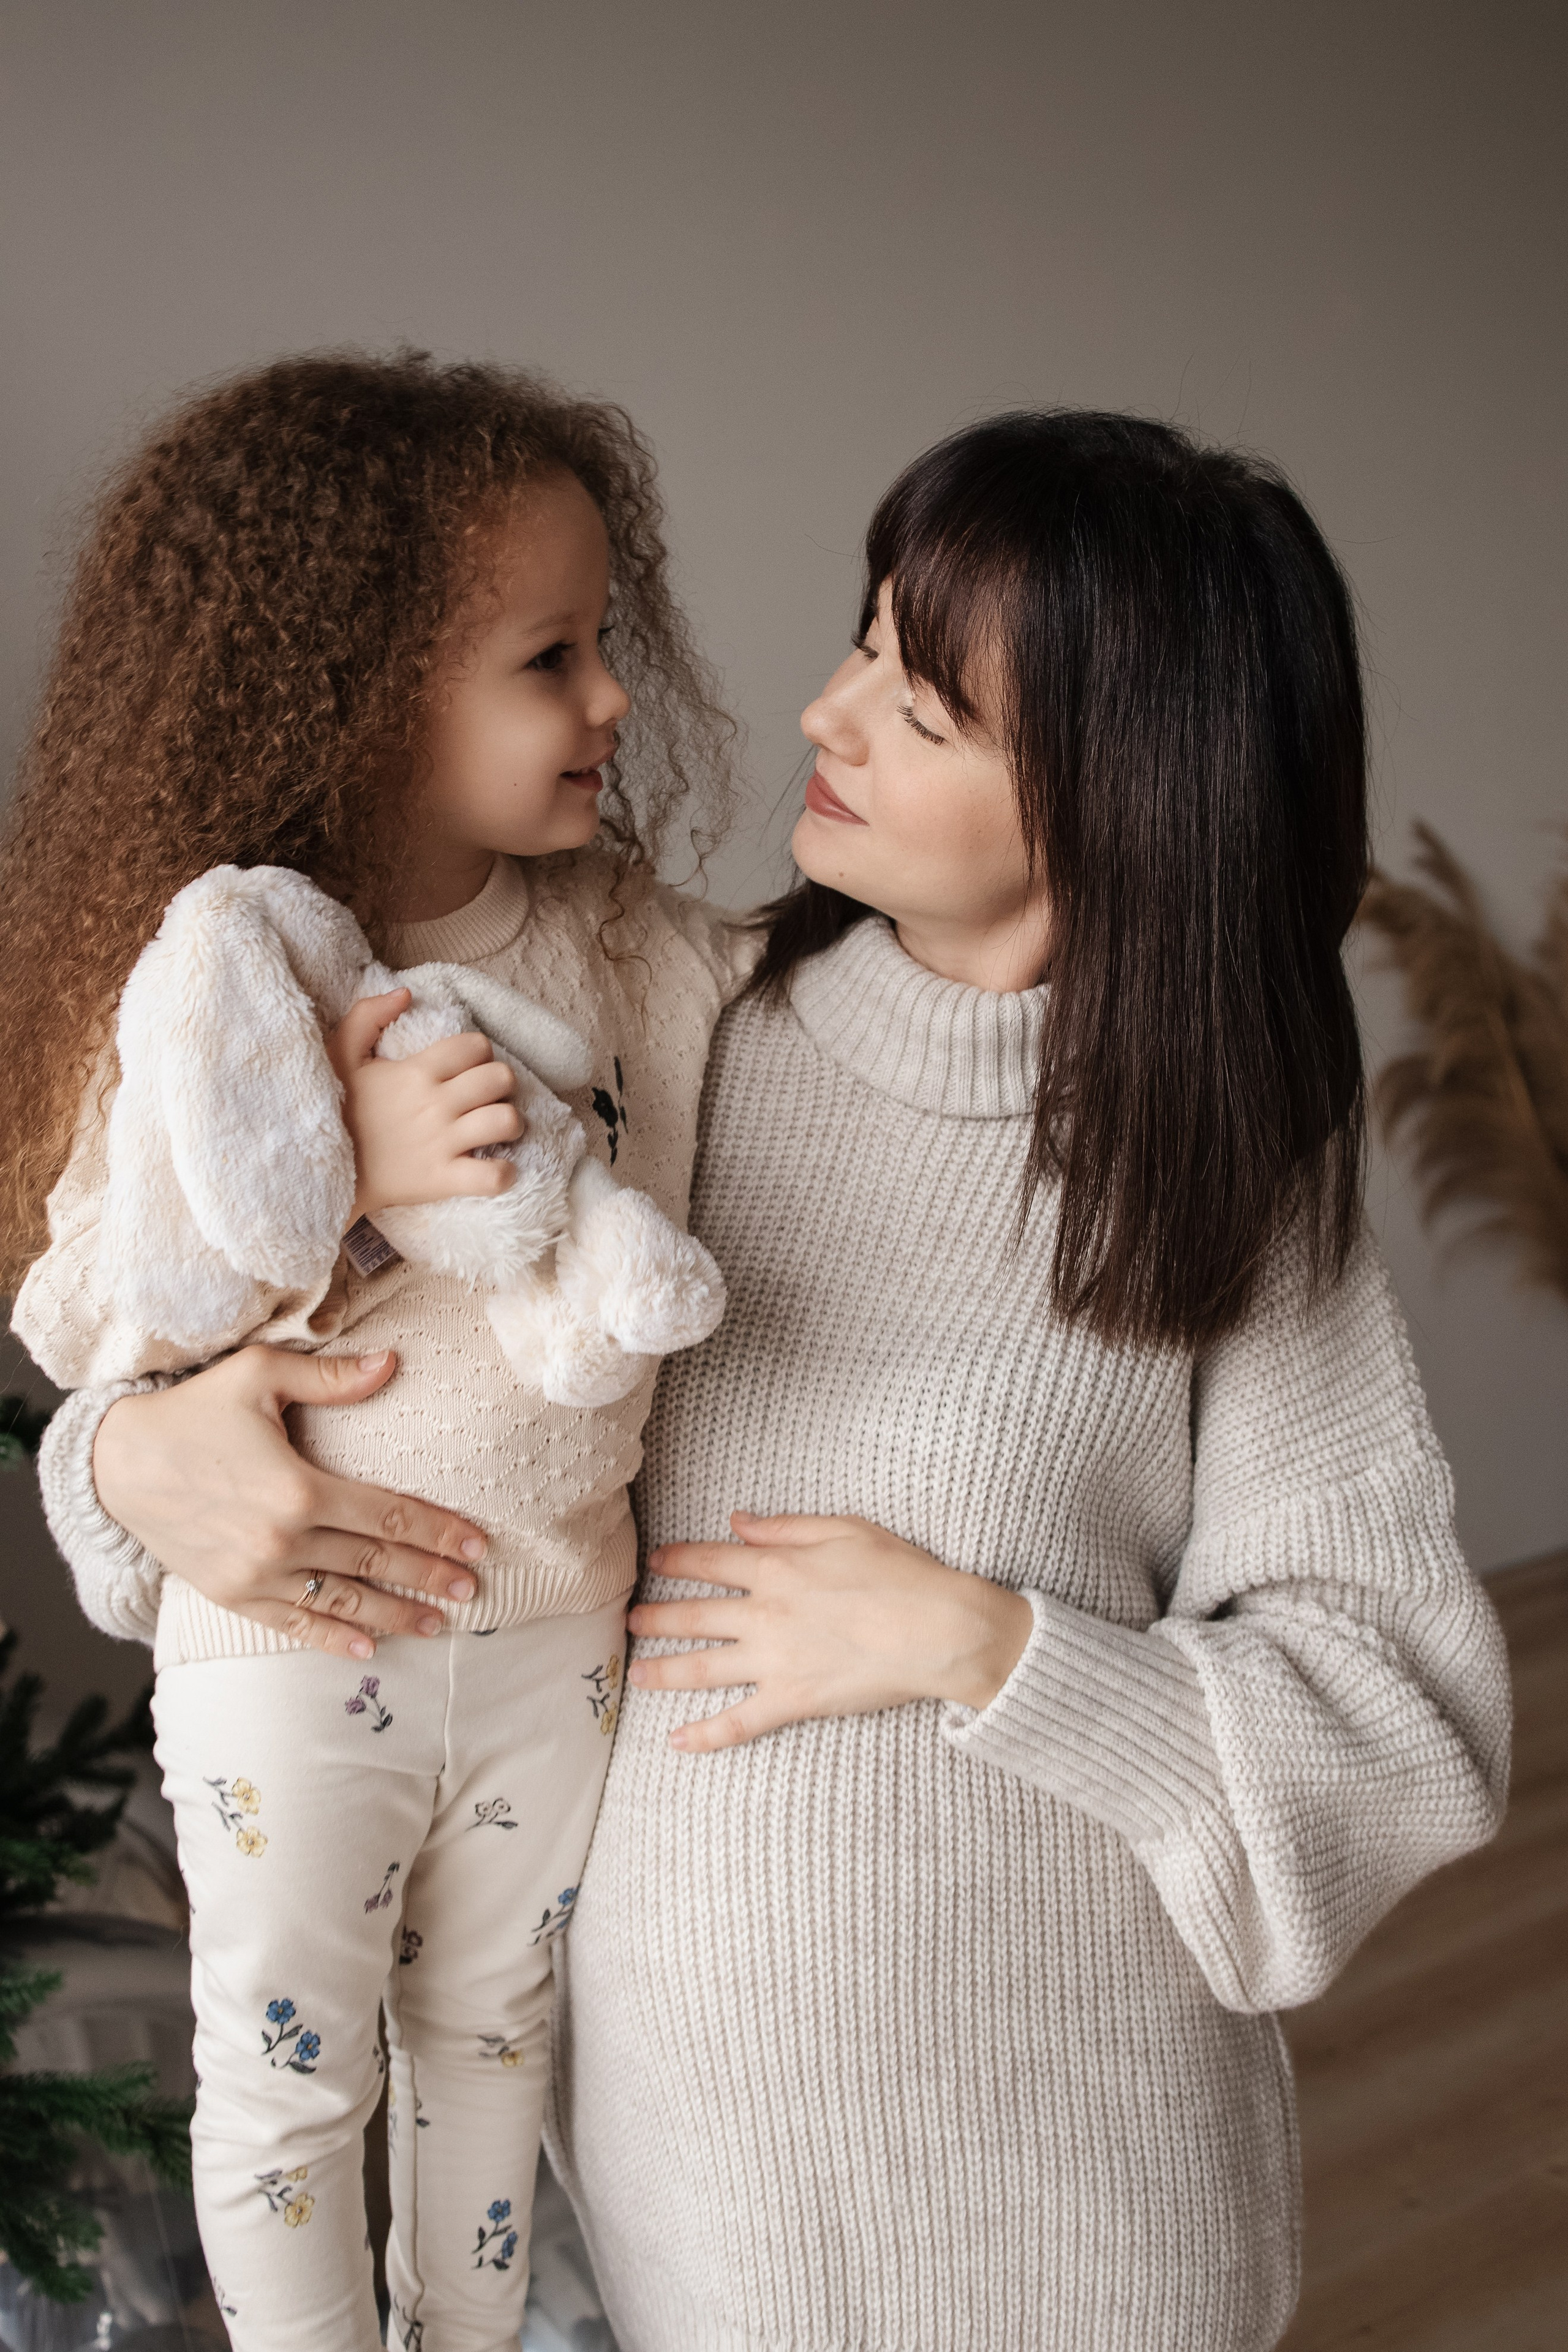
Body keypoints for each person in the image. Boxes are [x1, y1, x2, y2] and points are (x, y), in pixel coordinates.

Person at [33, 413, 1509, 2352]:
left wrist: (989, 1647)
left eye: (925, 704)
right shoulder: (681, 1037)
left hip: (1090, 2224)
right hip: (700, 2225)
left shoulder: (1228, 1179)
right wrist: (122, 1462)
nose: (827, 712)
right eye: (865, 641)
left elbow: (1402, 1722)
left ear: (1131, 794)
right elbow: (293, 1338)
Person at [1, 352, 746, 2352]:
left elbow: (816, 1013)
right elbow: (90, 1312)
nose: (612, 699)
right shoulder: (213, 974)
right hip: (290, 1649)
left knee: (493, 2049)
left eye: (605, 642)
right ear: (359, 688)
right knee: (288, 2091)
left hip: (554, 1634)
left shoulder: (629, 948)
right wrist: (344, 1182)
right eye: (549, 659)